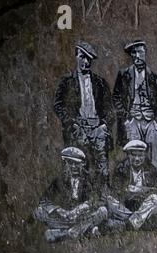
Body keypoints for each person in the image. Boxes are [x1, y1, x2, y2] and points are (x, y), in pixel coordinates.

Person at [53, 40, 114, 185]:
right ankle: (79, 199)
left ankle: (103, 197)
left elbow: (110, 109)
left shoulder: (100, 82)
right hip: (78, 129)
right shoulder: (67, 82)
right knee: (78, 166)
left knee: (102, 167)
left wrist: (104, 126)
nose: (85, 62)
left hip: (98, 129)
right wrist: (71, 123)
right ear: (76, 57)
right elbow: (58, 105)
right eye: (82, 57)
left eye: (88, 59)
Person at [112, 40, 157, 174]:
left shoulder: (155, 76)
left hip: (151, 121)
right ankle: (133, 185)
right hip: (133, 120)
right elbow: (116, 98)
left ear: (145, 53)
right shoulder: (124, 75)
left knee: (155, 156)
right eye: (133, 53)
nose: (137, 56)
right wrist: (126, 118)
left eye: (140, 52)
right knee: (134, 154)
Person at [33, 147, 107, 242]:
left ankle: (70, 232)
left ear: (82, 164)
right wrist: (59, 210)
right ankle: (85, 231)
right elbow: (44, 200)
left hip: (83, 217)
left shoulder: (90, 178)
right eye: (70, 163)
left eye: (76, 163)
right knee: (39, 211)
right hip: (65, 218)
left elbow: (100, 198)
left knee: (102, 211)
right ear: (66, 164)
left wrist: (85, 206)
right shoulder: (60, 180)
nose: (73, 166)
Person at [105, 140, 157, 232]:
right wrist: (137, 191)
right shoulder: (121, 168)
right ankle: (135, 222)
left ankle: (125, 225)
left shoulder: (151, 169)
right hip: (125, 206)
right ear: (128, 155)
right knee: (109, 200)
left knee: (156, 200)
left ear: (144, 156)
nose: (137, 159)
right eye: (133, 155)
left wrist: (136, 191)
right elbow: (117, 190)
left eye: (140, 155)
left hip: (143, 205)